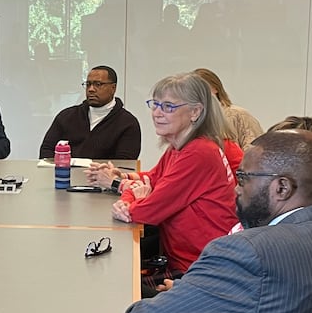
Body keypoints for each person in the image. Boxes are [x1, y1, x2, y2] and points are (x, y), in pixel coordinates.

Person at [124, 130, 312, 313]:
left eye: (243, 179)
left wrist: (185, 299)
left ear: (281, 188)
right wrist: (196, 294)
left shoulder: (249, 252)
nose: (235, 190)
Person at [86, 72, 238, 274]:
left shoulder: (199, 152)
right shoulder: (180, 146)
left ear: (195, 112)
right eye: (155, 104)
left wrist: (130, 201)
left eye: (168, 107)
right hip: (184, 259)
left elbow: (146, 210)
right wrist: (126, 183)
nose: (157, 113)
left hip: (200, 268)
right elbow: (153, 178)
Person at [38, 65, 141, 159]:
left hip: (104, 179)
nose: (91, 89)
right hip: (65, 177)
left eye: (98, 84)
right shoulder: (67, 116)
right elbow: (46, 151)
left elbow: (125, 164)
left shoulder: (127, 123)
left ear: (113, 88)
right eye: (88, 84)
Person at [193, 67, 262, 149]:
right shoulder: (191, 120)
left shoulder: (239, 114)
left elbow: (255, 149)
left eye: (202, 88)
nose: (199, 93)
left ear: (215, 88)